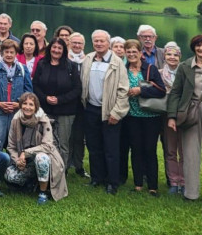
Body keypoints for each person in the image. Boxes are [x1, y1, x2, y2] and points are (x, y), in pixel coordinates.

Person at [166, 34, 202, 204]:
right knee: (190, 154)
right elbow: (175, 92)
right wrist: (171, 116)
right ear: (194, 48)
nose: (201, 49)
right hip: (189, 114)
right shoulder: (184, 67)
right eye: (198, 45)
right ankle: (190, 193)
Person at [80, 29, 129, 194]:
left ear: (108, 43)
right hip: (91, 109)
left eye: (102, 41)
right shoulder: (88, 59)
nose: (99, 44)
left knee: (111, 149)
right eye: (96, 41)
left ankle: (112, 182)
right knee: (94, 147)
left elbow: (123, 90)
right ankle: (96, 178)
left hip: (109, 111)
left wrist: (117, 112)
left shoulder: (117, 62)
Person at [6, 92, 68, 203]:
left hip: (46, 158)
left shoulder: (43, 120)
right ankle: (32, 183)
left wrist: (25, 152)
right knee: (10, 176)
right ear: (20, 105)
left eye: (31, 104)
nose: (27, 107)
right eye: (25, 103)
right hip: (25, 160)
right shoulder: (15, 120)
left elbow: (47, 145)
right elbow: (11, 146)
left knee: (41, 158)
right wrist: (18, 160)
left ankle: (43, 192)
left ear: (36, 107)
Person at [30, 37, 81, 172]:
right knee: (44, 141)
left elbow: (77, 89)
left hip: (66, 111)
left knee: (63, 144)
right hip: (45, 109)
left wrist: (60, 99)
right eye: (54, 47)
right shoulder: (42, 64)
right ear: (49, 48)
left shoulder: (71, 66)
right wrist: (45, 98)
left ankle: (60, 172)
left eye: (59, 48)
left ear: (64, 50)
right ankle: (42, 170)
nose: (56, 50)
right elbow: (35, 85)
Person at [122, 39, 166, 195]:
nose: (132, 54)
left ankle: (153, 186)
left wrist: (141, 90)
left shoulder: (150, 69)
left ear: (141, 53)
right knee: (136, 149)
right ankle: (138, 184)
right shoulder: (123, 69)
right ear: (125, 54)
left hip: (151, 116)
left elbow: (161, 90)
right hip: (132, 115)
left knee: (150, 149)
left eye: (135, 51)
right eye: (129, 52)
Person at [0, 39, 31, 148]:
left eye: (11, 52)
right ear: (1, 53)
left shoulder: (22, 69)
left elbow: (28, 90)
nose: (9, 55)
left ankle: (15, 164)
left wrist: (20, 104)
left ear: (16, 54)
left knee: (16, 142)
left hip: (16, 112)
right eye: (6, 52)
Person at [160, 42, 185, 195]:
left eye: (175, 55)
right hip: (166, 115)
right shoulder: (159, 72)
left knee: (183, 150)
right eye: (169, 54)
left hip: (183, 115)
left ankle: (184, 181)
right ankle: (173, 181)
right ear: (164, 56)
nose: (172, 57)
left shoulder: (186, 72)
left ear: (180, 57)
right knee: (170, 149)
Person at [66, 32, 88, 177]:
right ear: (69, 43)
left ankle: (79, 166)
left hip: (83, 104)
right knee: (66, 136)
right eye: (74, 43)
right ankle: (65, 165)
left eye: (79, 43)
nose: (77, 45)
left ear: (83, 45)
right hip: (67, 102)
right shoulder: (64, 59)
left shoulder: (88, 60)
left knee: (80, 137)